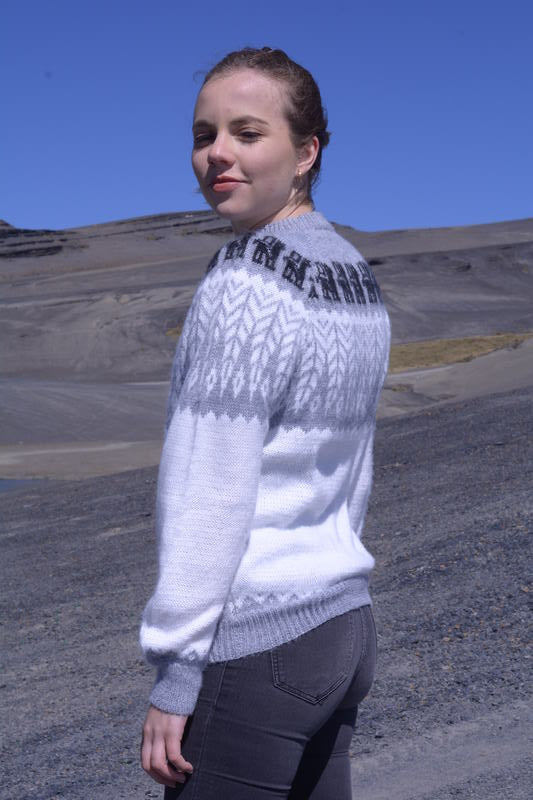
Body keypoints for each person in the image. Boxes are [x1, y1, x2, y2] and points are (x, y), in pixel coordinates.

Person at [139, 46, 391, 799]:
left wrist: (176, 668)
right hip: (340, 624)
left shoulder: (246, 281)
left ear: (306, 152)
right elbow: (347, 471)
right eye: (204, 135)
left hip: (258, 638)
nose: (217, 153)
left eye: (247, 133)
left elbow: (208, 489)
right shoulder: (353, 277)